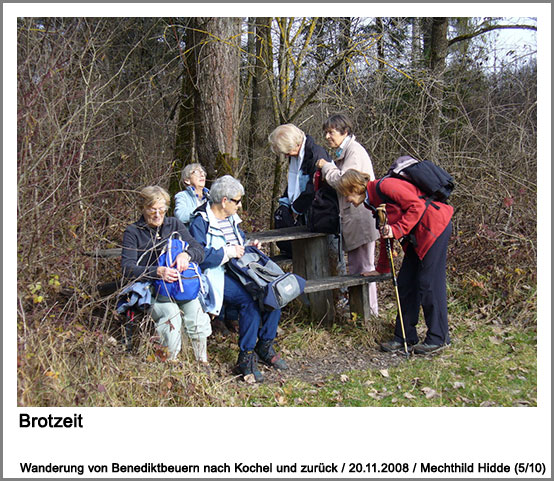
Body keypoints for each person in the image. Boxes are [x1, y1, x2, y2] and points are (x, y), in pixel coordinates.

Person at [336, 169, 454, 354]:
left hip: (434, 228)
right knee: (406, 283)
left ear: (355, 187)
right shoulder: (373, 201)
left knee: (429, 283)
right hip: (418, 236)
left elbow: (417, 207)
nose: (347, 200)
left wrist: (397, 229)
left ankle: (439, 338)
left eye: (347, 195)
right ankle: (404, 337)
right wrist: (382, 269)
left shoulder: (386, 186)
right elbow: (385, 234)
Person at [189, 175, 287, 382]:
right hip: (217, 274)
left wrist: (248, 247)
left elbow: (239, 241)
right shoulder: (200, 221)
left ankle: (265, 345)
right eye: (237, 200)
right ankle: (246, 357)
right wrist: (228, 252)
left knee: (274, 292)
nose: (240, 205)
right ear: (224, 201)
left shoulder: (231, 218)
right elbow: (199, 257)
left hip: (241, 269)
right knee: (249, 302)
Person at [121, 186, 212, 363]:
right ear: (142, 208)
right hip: (151, 290)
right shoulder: (133, 232)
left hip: (179, 286)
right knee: (171, 316)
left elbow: (199, 251)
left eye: (162, 209)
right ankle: (170, 362)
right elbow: (127, 268)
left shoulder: (174, 225)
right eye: (152, 209)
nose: (157, 214)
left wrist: (186, 255)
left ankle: (202, 361)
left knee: (196, 315)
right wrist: (157, 272)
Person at [315, 114, 380, 316]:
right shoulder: (346, 152)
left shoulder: (354, 152)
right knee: (357, 268)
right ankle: (360, 313)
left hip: (362, 218)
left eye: (331, 132)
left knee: (364, 269)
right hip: (354, 219)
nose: (327, 136)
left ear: (345, 132)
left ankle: (368, 315)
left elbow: (343, 183)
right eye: (325, 132)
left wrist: (326, 167)